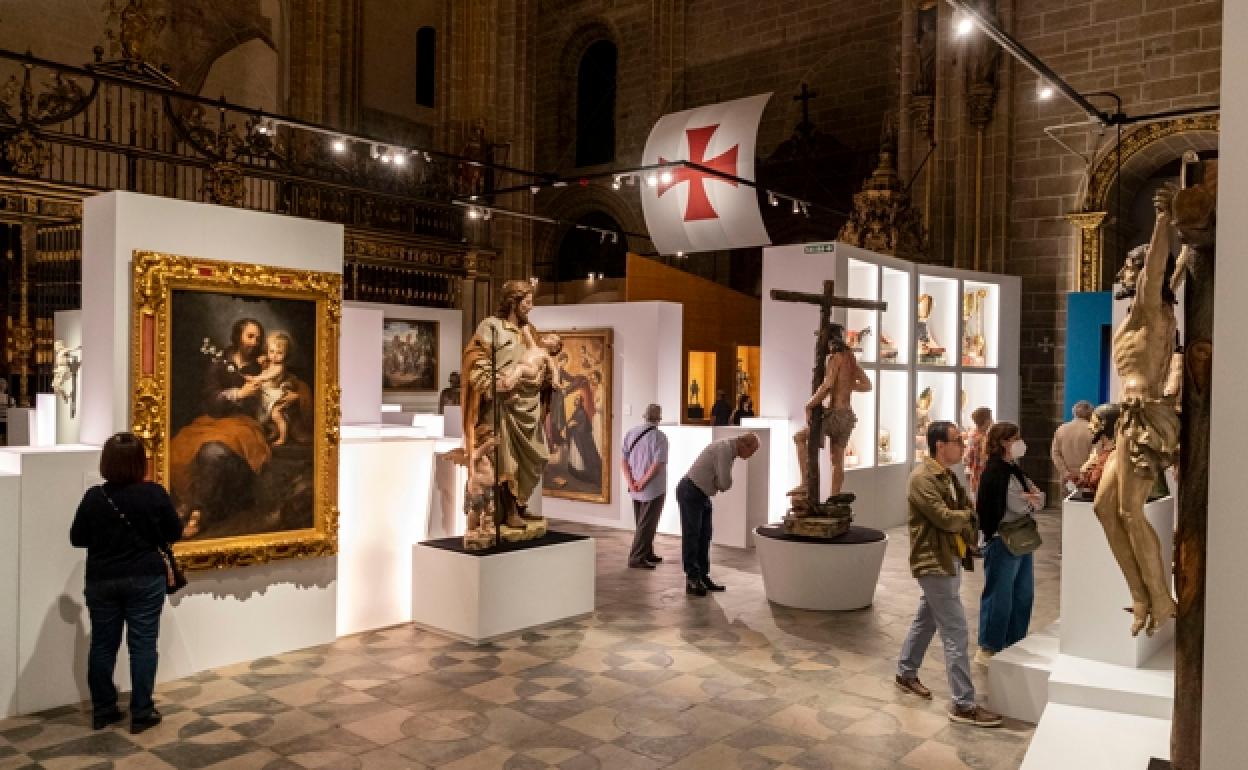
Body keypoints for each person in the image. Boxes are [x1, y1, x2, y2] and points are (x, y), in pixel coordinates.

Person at [70, 433, 183, 734]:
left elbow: (76, 538)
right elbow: (175, 532)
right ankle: (142, 712)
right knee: (143, 644)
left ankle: (104, 711)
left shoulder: (95, 497)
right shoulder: (154, 494)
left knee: (103, 645)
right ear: (139, 462)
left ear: (106, 462)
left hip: (103, 579)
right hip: (146, 577)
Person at [896, 421, 1002, 728]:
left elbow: (966, 513)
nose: (963, 445)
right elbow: (945, 518)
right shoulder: (921, 478)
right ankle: (963, 704)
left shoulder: (948, 476)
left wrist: (965, 517)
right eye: (957, 440)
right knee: (955, 631)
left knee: (927, 617)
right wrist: (966, 516)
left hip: (948, 557)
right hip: (933, 561)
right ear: (940, 445)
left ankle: (905, 671)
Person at [462, 280, 551, 527]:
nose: (530, 307)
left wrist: (544, 376)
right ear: (513, 302)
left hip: (527, 406)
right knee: (505, 459)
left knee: (536, 456)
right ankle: (508, 511)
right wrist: (494, 383)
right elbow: (475, 359)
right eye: (527, 302)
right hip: (501, 406)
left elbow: (540, 360)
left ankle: (521, 505)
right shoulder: (491, 327)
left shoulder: (529, 331)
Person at [975, 421, 1044, 666]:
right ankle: (989, 646)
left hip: (1021, 537)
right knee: (999, 596)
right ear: (1004, 442)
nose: (1020, 442)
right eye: (1015, 438)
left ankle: (1015, 641)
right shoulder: (995, 471)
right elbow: (1017, 505)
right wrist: (1029, 500)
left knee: (1023, 594)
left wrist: (1031, 498)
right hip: (1002, 539)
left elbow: (1039, 496)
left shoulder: (1014, 469)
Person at [790, 322, 872, 500]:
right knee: (837, 461)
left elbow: (827, 385)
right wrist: (848, 385)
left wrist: (809, 404)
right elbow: (867, 385)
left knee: (799, 437)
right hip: (847, 417)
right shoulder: (850, 357)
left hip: (835, 414)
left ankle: (805, 482)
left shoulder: (835, 358)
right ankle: (834, 500)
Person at [677, 433, 760, 596]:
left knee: (705, 535)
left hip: (701, 493)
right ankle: (692, 578)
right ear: (744, 445)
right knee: (692, 536)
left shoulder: (729, 450)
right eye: (753, 451)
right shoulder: (725, 449)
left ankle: (702, 575)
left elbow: (722, 482)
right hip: (691, 491)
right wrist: (717, 483)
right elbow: (725, 483)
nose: (752, 455)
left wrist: (715, 483)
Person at [621, 404, 669, 569]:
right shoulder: (659, 437)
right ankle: (637, 557)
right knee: (647, 523)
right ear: (658, 418)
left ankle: (647, 552)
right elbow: (657, 465)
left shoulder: (631, 432)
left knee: (641, 522)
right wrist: (642, 483)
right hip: (652, 488)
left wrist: (631, 482)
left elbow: (624, 461)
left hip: (634, 486)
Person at [1051, 401, 1094, 492]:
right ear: (1091, 414)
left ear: (1074, 412)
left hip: (1067, 479)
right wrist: (1084, 474)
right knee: (1085, 505)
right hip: (1087, 479)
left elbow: (1055, 453)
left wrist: (1065, 472)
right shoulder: (1093, 430)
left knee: (1067, 504)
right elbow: (1096, 456)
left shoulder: (1061, 429)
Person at [963, 407, 993, 500]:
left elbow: (966, 458)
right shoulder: (983, 438)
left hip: (975, 476)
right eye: (991, 418)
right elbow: (984, 460)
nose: (992, 420)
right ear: (986, 420)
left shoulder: (973, 434)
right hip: (982, 476)